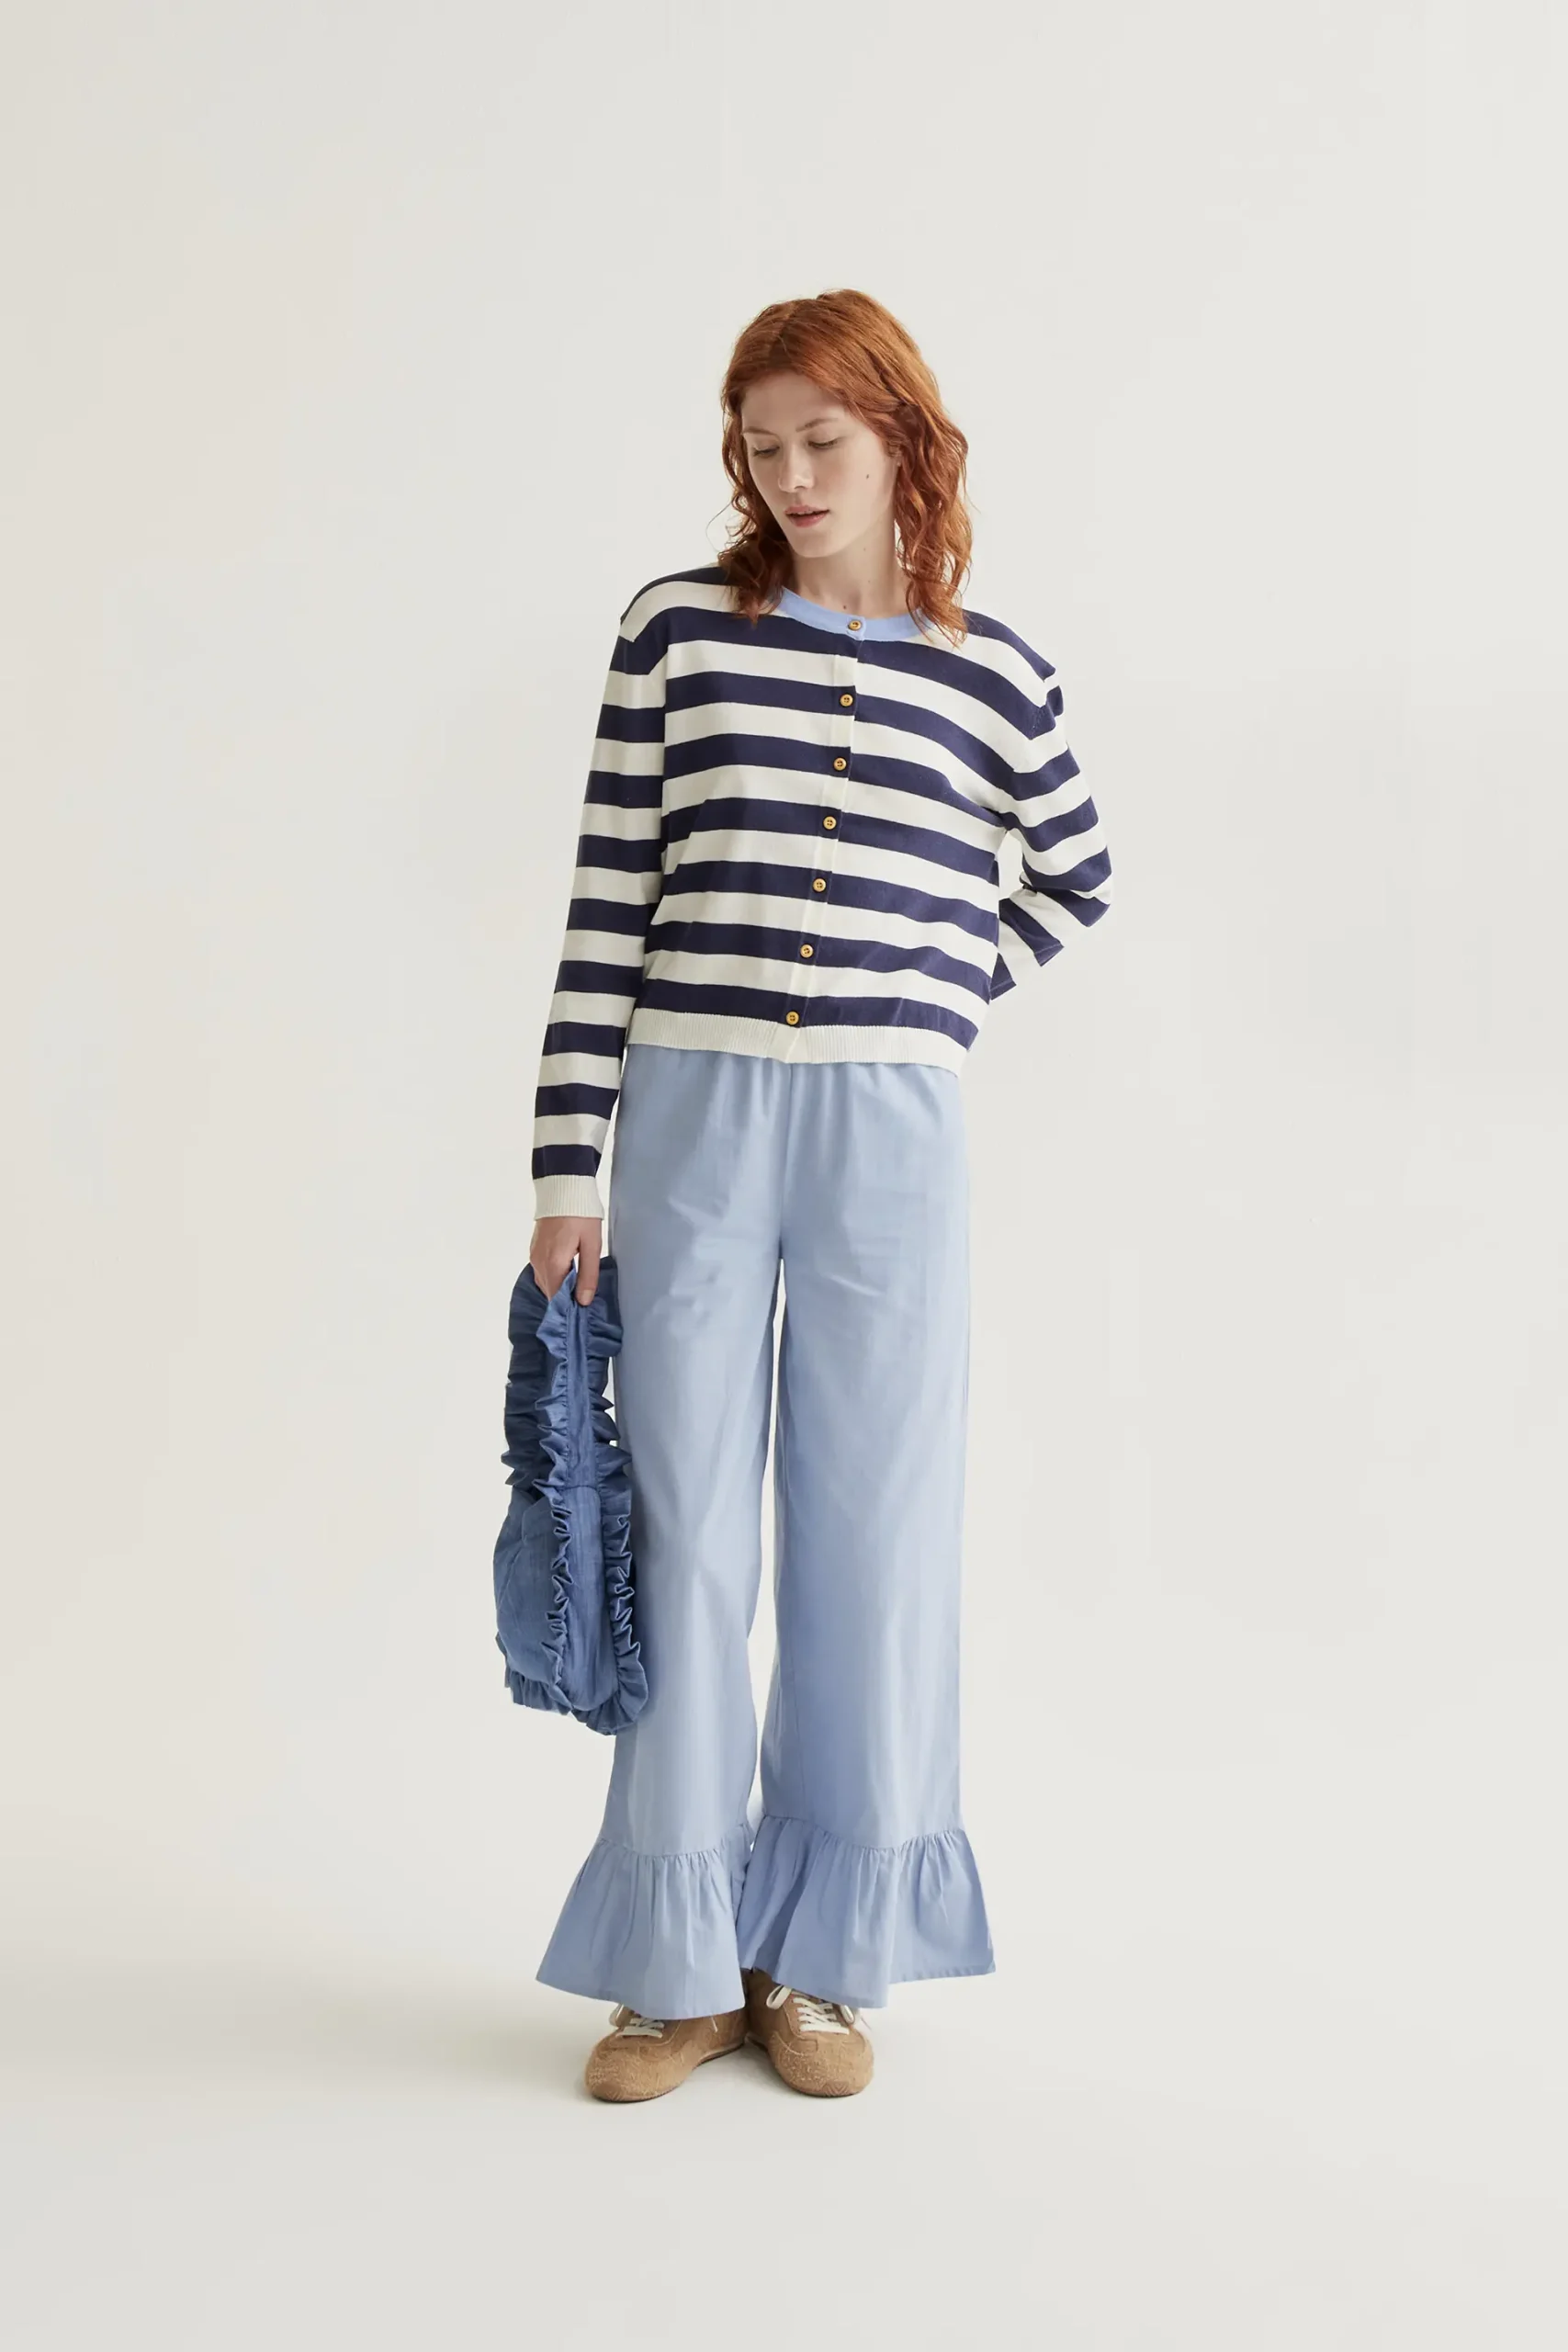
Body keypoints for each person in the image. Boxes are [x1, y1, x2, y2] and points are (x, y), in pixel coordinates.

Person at [526, 288, 1112, 2102]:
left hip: (890, 1135)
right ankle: (675, 1963)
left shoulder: (994, 674)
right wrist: (564, 1168)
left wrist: (933, 995)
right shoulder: (676, 635)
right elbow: (606, 904)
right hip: (690, 1113)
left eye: (822, 440)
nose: (788, 475)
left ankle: (826, 1959)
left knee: (875, 1530)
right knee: (685, 1526)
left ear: (902, 441)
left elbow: (1073, 875)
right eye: (759, 445)